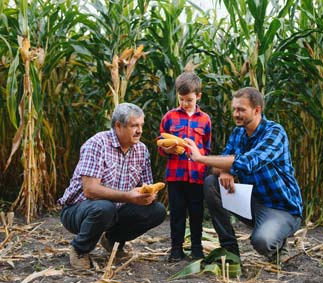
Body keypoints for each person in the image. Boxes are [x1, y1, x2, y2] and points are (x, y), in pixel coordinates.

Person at [184, 87, 302, 262]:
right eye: (234, 109)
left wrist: (200, 158)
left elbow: (249, 163)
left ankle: (279, 242)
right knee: (211, 183)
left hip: (282, 208)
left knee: (262, 242)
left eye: (241, 110)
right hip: (252, 202)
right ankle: (230, 250)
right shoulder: (238, 132)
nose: (236, 114)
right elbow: (220, 164)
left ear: (257, 110)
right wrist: (225, 170)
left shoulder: (275, 132)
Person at [58, 103, 167, 269]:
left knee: (157, 211)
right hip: (79, 210)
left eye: (141, 125)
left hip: (115, 211)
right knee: (104, 208)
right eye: (134, 126)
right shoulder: (97, 144)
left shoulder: (141, 150)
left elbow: (146, 185)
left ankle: (112, 240)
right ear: (118, 126)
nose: (140, 131)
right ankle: (79, 249)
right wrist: (128, 196)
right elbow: (90, 190)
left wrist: (149, 196)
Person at [158, 71, 212, 262]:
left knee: (196, 213)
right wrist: (169, 150)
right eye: (181, 99)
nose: (184, 104)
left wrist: (200, 158)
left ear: (198, 96)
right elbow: (160, 142)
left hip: (196, 175)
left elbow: (206, 147)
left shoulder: (205, 120)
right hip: (176, 175)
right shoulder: (170, 117)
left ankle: (197, 248)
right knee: (177, 212)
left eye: (188, 100)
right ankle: (176, 249)